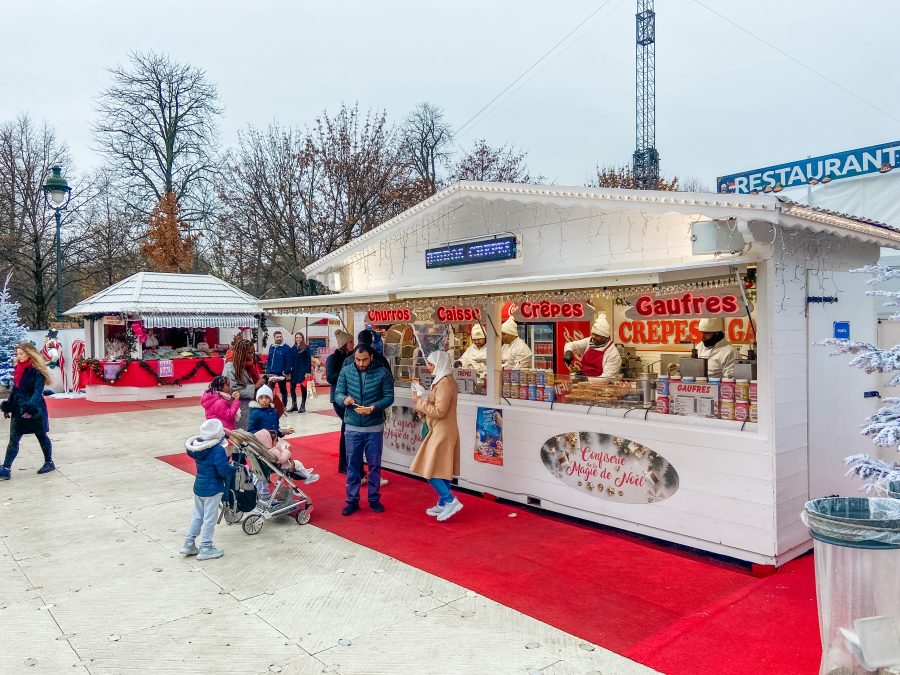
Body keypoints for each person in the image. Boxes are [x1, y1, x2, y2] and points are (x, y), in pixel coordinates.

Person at [334, 344, 394, 515]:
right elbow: (337, 393)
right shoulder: (346, 371)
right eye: (358, 360)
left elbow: (389, 396)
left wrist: (374, 407)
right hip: (352, 426)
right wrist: (344, 399)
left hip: (374, 426)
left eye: (364, 360)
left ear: (371, 357)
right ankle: (352, 500)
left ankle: (374, 498)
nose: (361, 363)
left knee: (374, 465)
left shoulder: (382, 372)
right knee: (353, 465)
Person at [410, 351, 463, 521]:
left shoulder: (444, 383)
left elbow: (439, 411)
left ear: (439, 364)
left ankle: (449, 500)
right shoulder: (443, 381)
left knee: (430, 469)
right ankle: (443, 502)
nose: (428, 367)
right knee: (442, 468)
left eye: (431, 364)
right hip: (443, 429)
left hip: (442, 430)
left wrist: (419, 403)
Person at [181, 419, 234, 560]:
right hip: (213, 489)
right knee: (210, 518)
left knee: (198, 515)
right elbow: (222, 471)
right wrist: (231, 468)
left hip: (199, 487)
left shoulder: (200, 449)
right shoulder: (216, 450)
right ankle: (206, 547)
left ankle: (189, 542)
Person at [0, 343, 54, 480]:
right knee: (14, 439)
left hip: (35, 409)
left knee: (41, 436)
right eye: (17, 354)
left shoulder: (36, 371)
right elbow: (15, 390)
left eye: (21, 354)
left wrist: (31, 408)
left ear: (29, 354)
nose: (18, 356)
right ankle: (6, 469)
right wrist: (9, 406)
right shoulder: (18, 368)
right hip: (18, 408)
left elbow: (37, 392)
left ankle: (49, 462)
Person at [326, 330, 354, 473]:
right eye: (350, 342)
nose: (352, 344)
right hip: (338, 398)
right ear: (343, 344)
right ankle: (344, 463)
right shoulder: (333, 358)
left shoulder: (353, 357)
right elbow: (330, 378)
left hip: (349, 397)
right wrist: (344, 370)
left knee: (348, 429)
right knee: (346, 428)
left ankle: (347, 462)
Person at [563, 313, 622, 379]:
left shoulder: (613, 354)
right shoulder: (590, 341)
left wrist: (586, 379)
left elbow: (607, 378)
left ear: (605, 336)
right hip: (584, 385)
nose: (593, 337)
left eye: (597, 335)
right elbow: (570, 345)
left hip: (602, 387)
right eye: (593, 334)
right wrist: (568, 352)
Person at [222, 339, 264, 429]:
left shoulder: (249, 364)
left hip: (252, 406)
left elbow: (252, 378)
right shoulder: (230, 366)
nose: (251, 355)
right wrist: (255, 387)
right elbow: (231, 390)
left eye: (252, 353)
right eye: (248, 353)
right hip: (240, 409)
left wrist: (264, 377)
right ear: (241, 352)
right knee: (242, 435)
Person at [253, 429, 319, 484]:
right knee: (298, 463)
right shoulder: (273, 451)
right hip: (283, 467)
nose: (276, 442)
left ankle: (304, 471)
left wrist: (283, 450)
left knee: (298, 465)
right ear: (268, 442)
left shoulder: (265, 450)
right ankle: (307, 477)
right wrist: (288, 451)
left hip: (277, 467)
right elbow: (282, 459)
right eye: (276, 440)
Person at [265, 330, 292, 407]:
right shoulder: (271, 347)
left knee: (283, 390)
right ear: (274, 338)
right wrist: (268, 370)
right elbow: (269, 359)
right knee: (269, 390)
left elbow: (288, 361)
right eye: (277, 337)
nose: (279, 338)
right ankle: (268, 406)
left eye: (280, 336)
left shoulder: (286, 348)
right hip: (272, 373)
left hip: (281, 373)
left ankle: (284, 406)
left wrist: (286, 371)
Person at [288, 332, 312, 413]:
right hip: (294, 370)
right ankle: (294, 405)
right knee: (292, 388)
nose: (298, 339)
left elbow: (308, 360)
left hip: (303, 370)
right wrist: (288, 370)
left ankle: (303, 405)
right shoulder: (293, 348)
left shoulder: (306, 347)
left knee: (303, 388)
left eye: (300, 337)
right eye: (297, 337)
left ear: (302, 338)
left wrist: (308, 372)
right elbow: (290, 360)